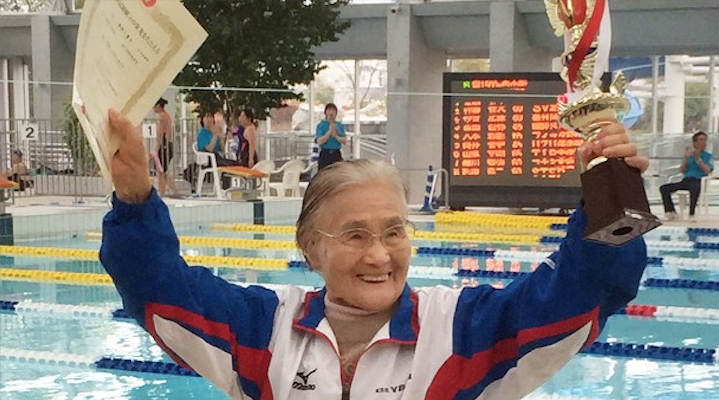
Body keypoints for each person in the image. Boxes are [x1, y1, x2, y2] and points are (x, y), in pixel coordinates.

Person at [102, 109, 648, 400]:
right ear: (310, 248)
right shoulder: (264, 325)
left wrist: (608, 190)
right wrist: (133, 196)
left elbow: (583, 294)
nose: (381, 255)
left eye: (394, 231)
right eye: (355, 235)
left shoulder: (461, 329)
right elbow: (160, 291)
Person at [660, 131, 714, 221]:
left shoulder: (708, 156)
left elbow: (708, 170)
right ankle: (671, 212)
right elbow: (682, 170)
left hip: (698, 180)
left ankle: (691, 214)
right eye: (701, 140)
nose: (704, 142)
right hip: (686, 180)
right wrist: (686, 158)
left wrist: (698, 160)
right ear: (695, 143)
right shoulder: (689, 156)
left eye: (705, 140)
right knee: (664, 188)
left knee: (694, 187)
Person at [153, 98, 178, 197]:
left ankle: (162, 192)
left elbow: (160, 134)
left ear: (158, 106)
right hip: (167, 144)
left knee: (160, 170)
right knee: (163, 171)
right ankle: (172, 191)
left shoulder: (162, 117)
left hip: (164, 145)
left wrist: (156, 148)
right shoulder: (166, 116)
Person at [316, 103, 346, 170]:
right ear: (325, 112)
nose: (331, 112)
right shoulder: (321, 125)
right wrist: (329, 132)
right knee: (323, 174)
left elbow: (344, 141)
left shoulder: (340, 125)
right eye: (329, 110)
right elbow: (319, 141)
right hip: (325, 153)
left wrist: (335, 135)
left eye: (333, 110)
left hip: (336, 153)